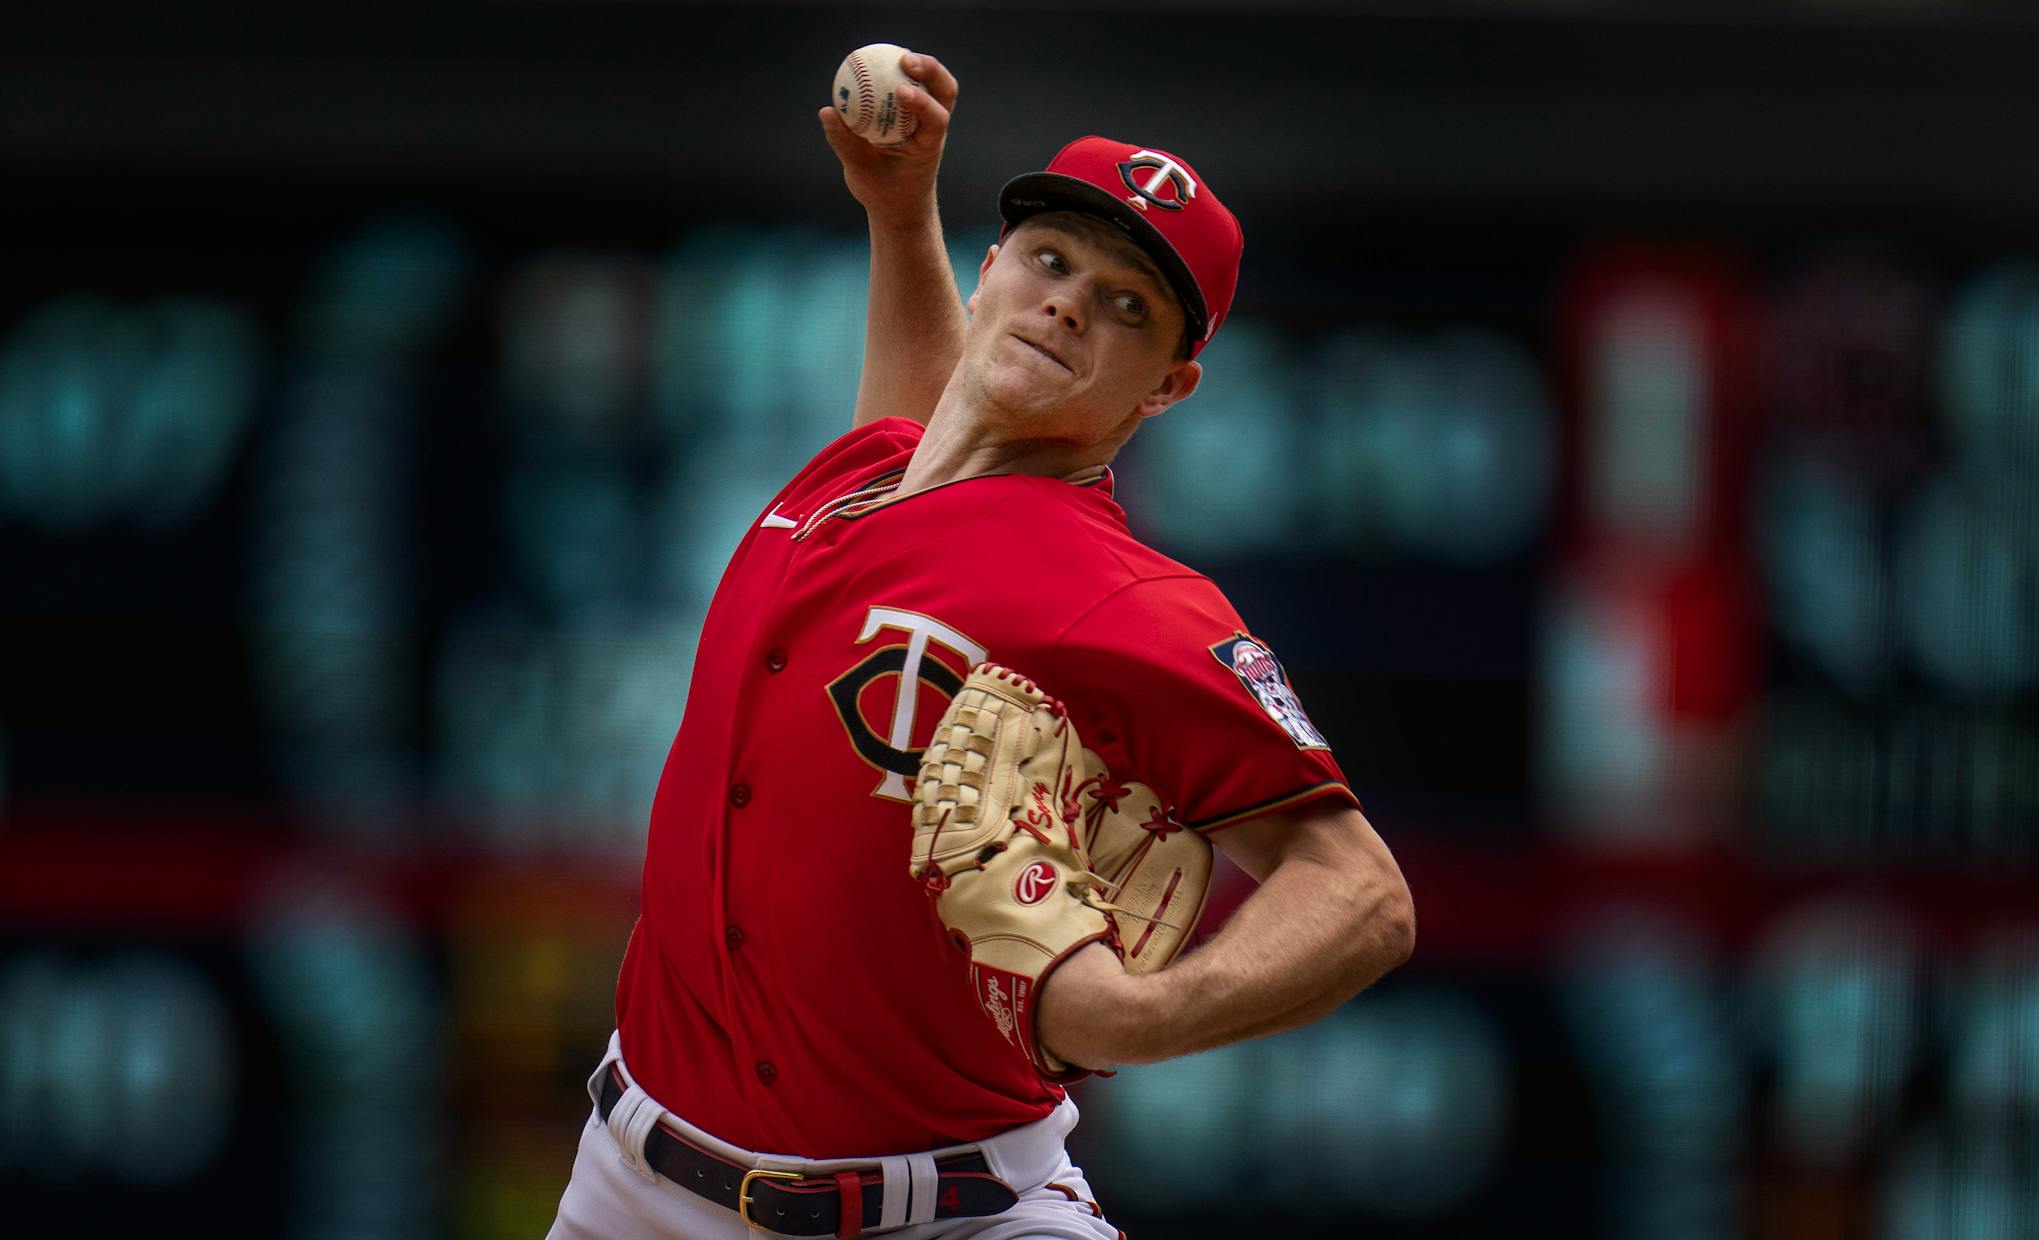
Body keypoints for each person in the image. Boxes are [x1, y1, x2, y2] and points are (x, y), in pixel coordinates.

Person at [547, 50, 1415, 1240]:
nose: (1068, 303)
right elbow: (928, 420)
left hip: (947, 1211)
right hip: (634, 1186)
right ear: (993, 265)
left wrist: (1131, 1018)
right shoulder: (861, 479)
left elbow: (1364, 896)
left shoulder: (1121, 596)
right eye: (1053, 261)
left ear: (1170, 384)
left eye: (1127, 305)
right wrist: (901, 210)